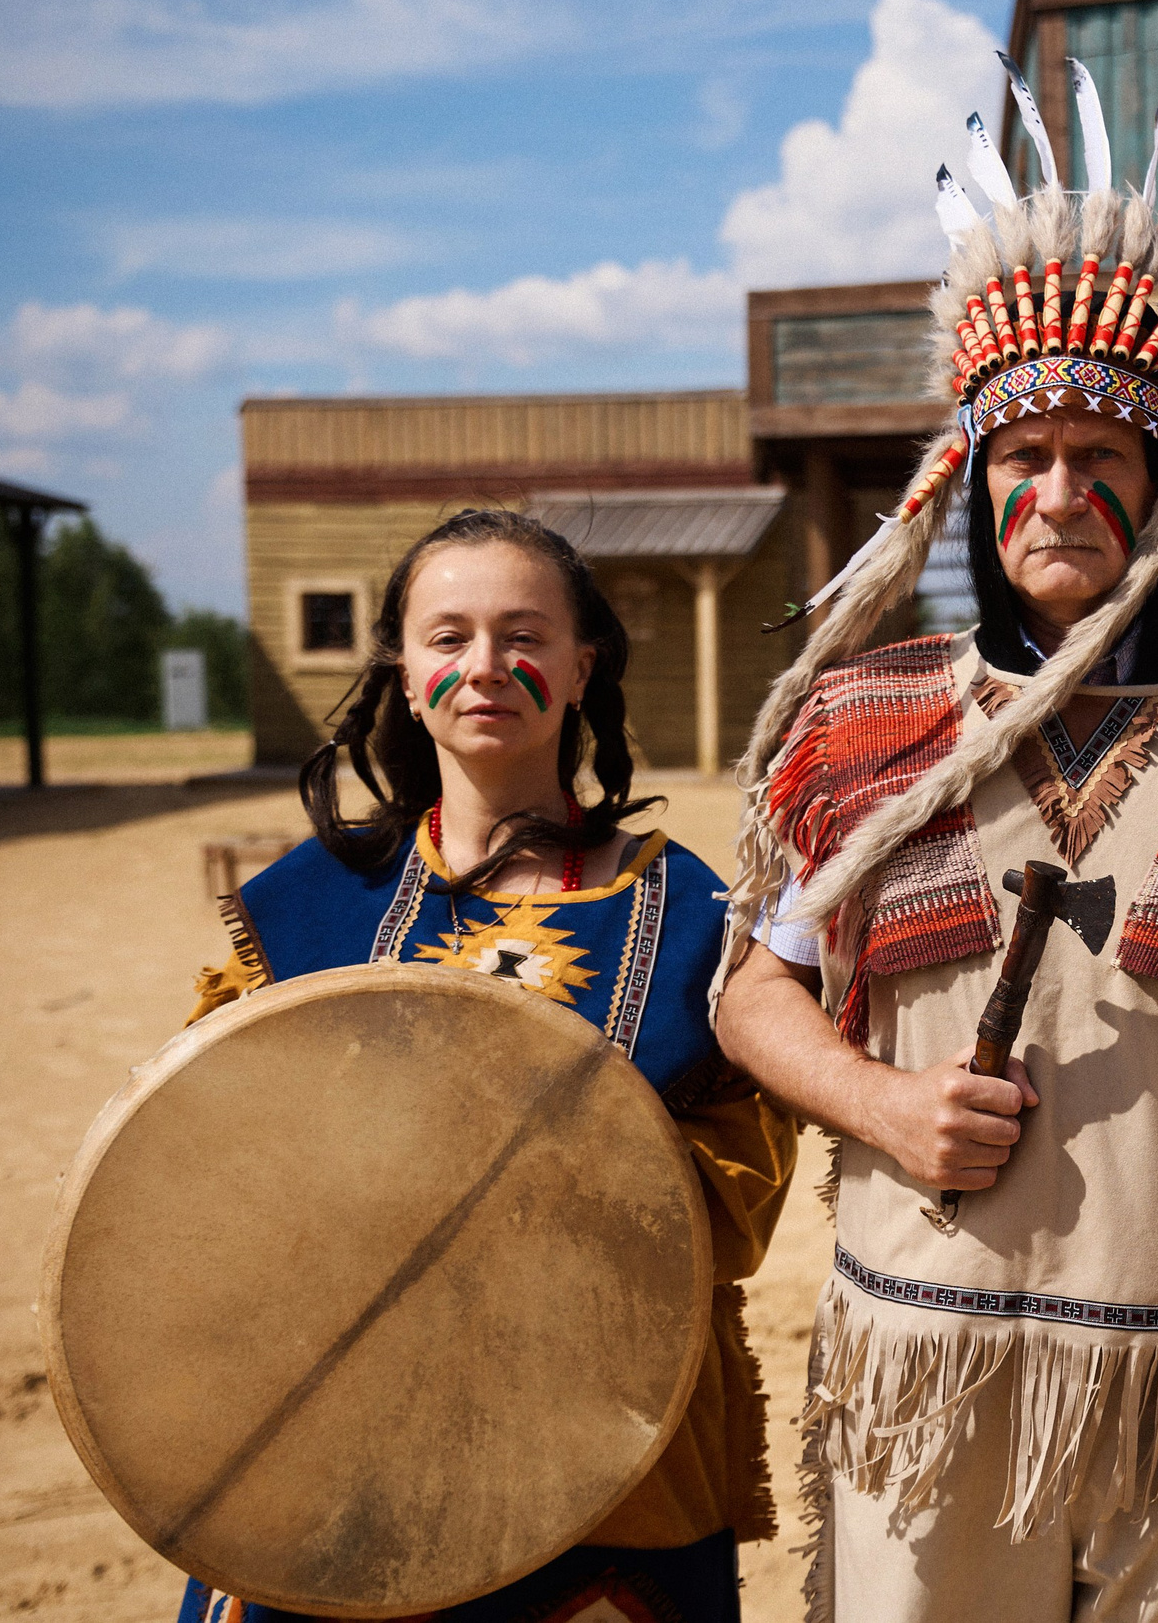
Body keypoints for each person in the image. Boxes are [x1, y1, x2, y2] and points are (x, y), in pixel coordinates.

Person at [713, 76, 1158, 1623]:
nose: (1058, 491)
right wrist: (880, 1100)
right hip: (927, 1374)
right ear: (971, 478)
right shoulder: (862, 717)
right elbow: (754, 992)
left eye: (1103, 453)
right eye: (1023, 455)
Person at [179, 509, 795, 1623]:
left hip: (604, 1451)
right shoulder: (310, 904)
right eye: (447, 634)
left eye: (524, 634)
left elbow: (735, 1208)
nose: (485, 666)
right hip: (336, 1426)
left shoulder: (695, 917)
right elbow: (207, 1159)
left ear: (580, 665)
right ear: (404, 668)